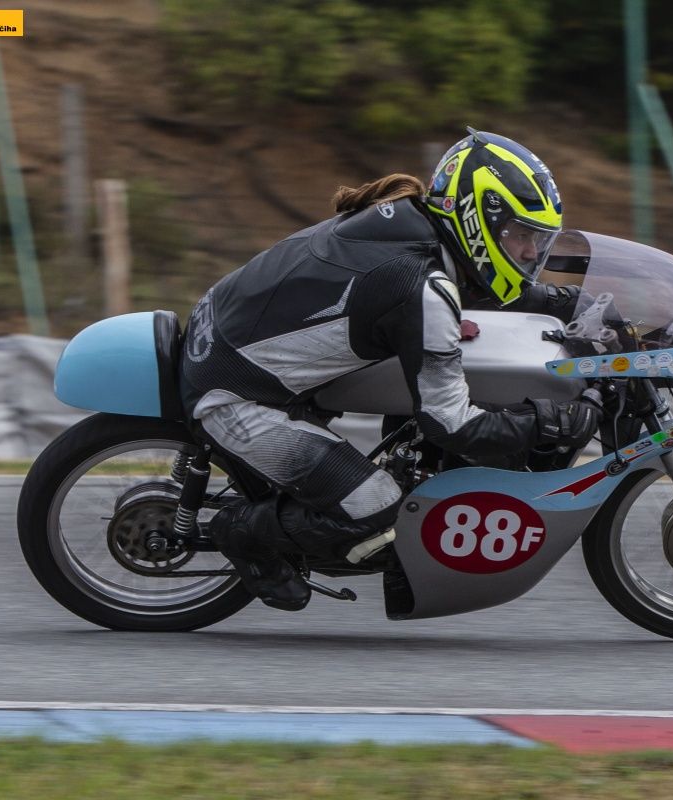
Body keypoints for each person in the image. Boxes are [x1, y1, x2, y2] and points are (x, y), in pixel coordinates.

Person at [181, 129, 603, 612]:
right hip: (234, 396)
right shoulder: (422, 284)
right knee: (381, 509)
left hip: (221, 334)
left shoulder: (411, 221)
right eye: (521, 234)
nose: (530, 252)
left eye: (536, 238)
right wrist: (548, 422)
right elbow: (453, 425)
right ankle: (241, 531)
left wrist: (572, 302)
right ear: (476, 219)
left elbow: (479, 285)